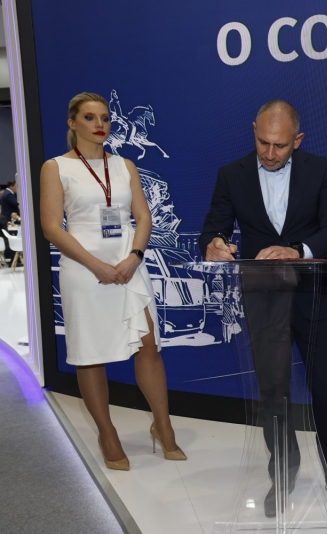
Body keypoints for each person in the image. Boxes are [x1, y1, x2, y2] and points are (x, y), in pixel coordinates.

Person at [199, 100, 327, 515]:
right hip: (262, 295)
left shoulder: (321, 170)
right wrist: (214, 244)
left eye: (279, 145)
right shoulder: (231, 174)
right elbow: (214, 227)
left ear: (297, 140)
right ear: (254, 130)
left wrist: (297, 249)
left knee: (326, 386)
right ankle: (282, 472)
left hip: (312, 292)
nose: (269, 153)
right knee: (273, 389)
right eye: (263, 142)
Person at [40, 92, 186, 471]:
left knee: (148, 345)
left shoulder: (125, 165)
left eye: (104, 117)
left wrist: (135, 257)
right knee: (91, 355)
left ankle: (163, 427)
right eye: (89, 117)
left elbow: (143, 217)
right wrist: (96, 266)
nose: (100, 124)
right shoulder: (56, 167)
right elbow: (52, 228)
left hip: (129, 263)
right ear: (72, 123)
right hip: (83, 268)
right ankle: (107, 433)